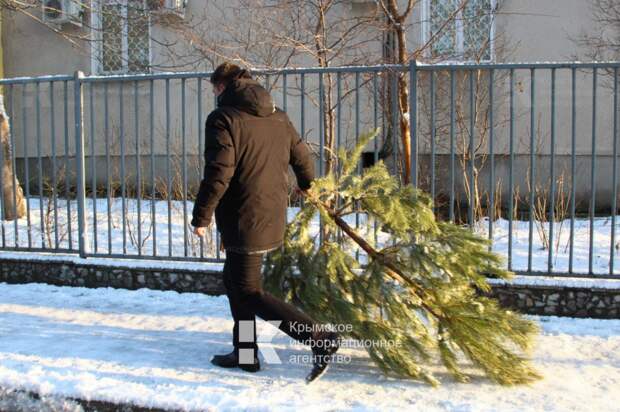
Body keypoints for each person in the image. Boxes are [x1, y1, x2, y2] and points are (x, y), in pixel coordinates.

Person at [191, 62, 339, 383]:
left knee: (248, 291)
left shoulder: (223, 118)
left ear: (223, 86)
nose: (214, 95)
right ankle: (245, 354)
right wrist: (307, 183)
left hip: (243, 217)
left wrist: (201, 215)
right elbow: (301, 155)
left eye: (214, 89)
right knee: (234, 283)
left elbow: (219, 172)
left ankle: (319, 340)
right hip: (269, 214)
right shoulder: (278, 116)